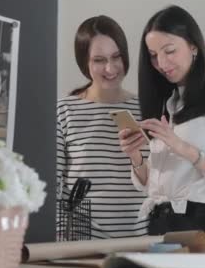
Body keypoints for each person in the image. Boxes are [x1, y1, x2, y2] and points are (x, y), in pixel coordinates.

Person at [118, 5, 205, 248]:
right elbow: (155, 184)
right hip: (158, 226)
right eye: (153, 55)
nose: (161, 63)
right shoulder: (167, 104)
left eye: (169, 51)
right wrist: (135, 157)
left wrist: (183, 148)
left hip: (202, 226)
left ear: (193, 46)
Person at [56, 15, 148, 240]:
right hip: (80, 242)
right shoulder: (64, 111)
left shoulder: (147, 108)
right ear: (84, 63)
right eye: (99, 60)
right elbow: (51, 185)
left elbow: (160, 184)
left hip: (141, 241)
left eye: (116, 57)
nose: (110, 68)